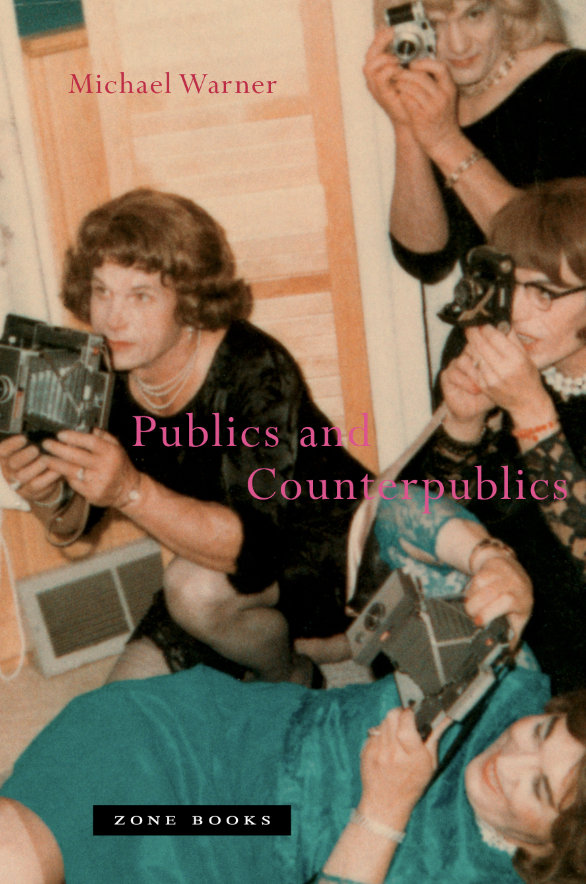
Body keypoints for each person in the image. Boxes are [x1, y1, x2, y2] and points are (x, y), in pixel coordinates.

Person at [1, 489, 565, 884]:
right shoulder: (507, 684)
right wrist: (492, 559)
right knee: (31, 847)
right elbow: (390, 511)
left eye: (539, 788)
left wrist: (383, 809)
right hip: (219, 736)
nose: (511, 756)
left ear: (558, 854)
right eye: (540, 731)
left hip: (249, 842)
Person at [0, 189, 368, 686]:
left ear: (190, 301)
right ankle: (275, 643)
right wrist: (45, 493)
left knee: (192, 591)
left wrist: (130, 490)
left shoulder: (255, 370)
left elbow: (254, 553)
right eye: (101, 290)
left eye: (141, 295)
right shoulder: (100, 372)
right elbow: (75, 527)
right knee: (118, 708)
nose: (111, 317)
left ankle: (293, 671)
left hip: (329, 555)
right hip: (208, 562)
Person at [404, 178, 586, 694]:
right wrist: (462, 422)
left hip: (572, 633)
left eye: (545, 293)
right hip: (500, 587)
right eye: (514, 285)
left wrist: (531, 411)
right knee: (394, 514)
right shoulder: (494, 343)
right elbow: (437, 513)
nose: (519, 312)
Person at [364, 0, 586, 284]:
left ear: (506, 10)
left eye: (474, 14)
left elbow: (560, 265)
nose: (458, 45)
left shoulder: (573, 79)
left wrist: (445, 142)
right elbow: (426, 262)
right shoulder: (439, 97)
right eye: (434, 23)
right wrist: (406, 127)